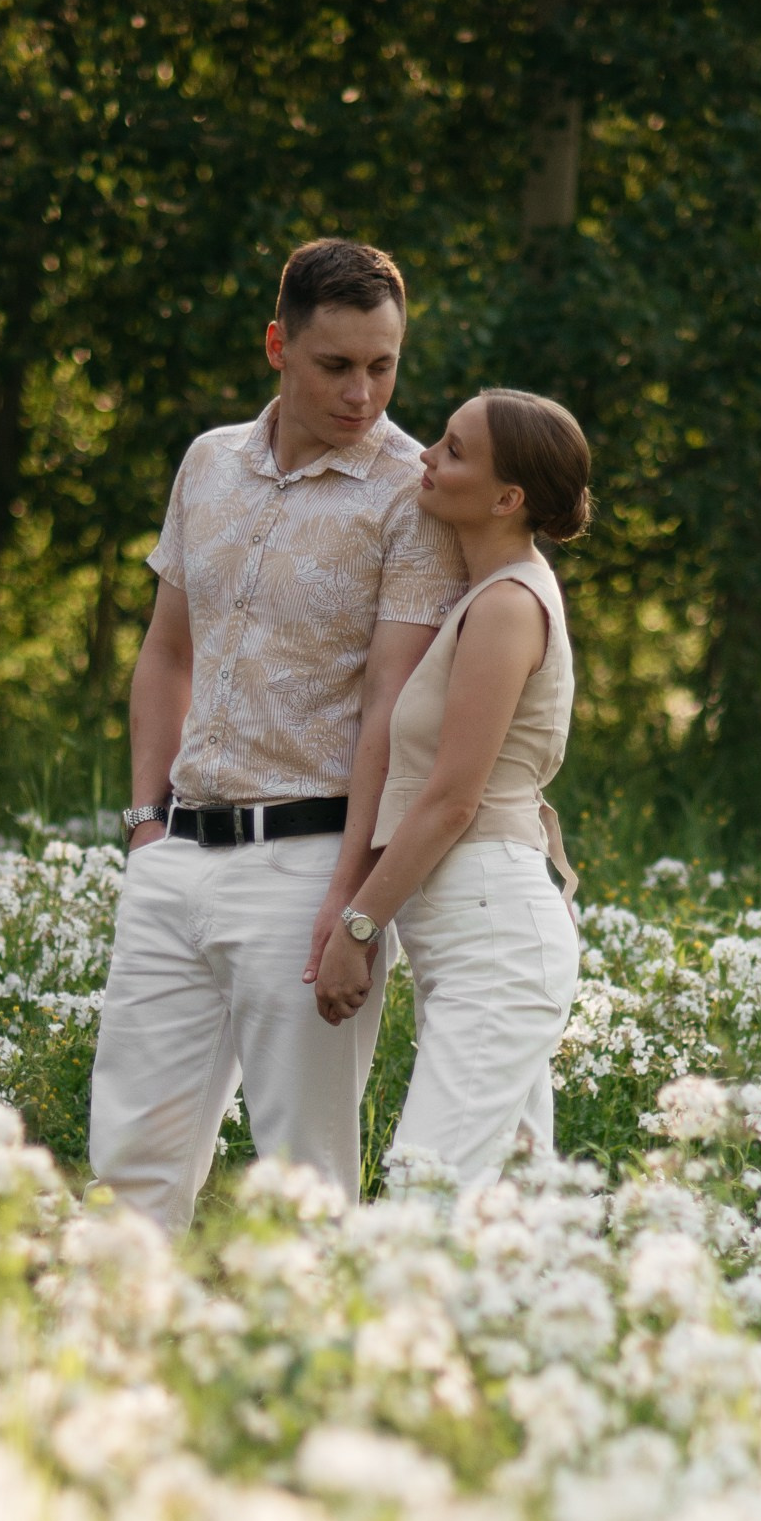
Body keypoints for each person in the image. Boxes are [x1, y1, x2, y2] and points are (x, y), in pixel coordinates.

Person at [88, 237, 465, 1233]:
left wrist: (351, 907)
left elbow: (394, 706)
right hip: (177, 854)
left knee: (302, 1185)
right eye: (336, 365)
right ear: (276, 346)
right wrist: (144, 826)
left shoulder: (414, 494)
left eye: (383, 365)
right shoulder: (207, 463)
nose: (363, 393)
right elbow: (167, 654)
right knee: (128, 1166)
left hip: (309, 862)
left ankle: (310, 1382)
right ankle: (111, 1374)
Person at [311, 389, 588, 1192]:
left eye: (455, 450)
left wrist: (357, 928)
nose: (427, 455)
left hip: (496, 941)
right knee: (514, 1214)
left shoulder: (508, 605)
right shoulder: (488, 594)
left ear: (508, 500)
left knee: (422, 1196)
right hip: (480, 935)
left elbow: (452, 799)